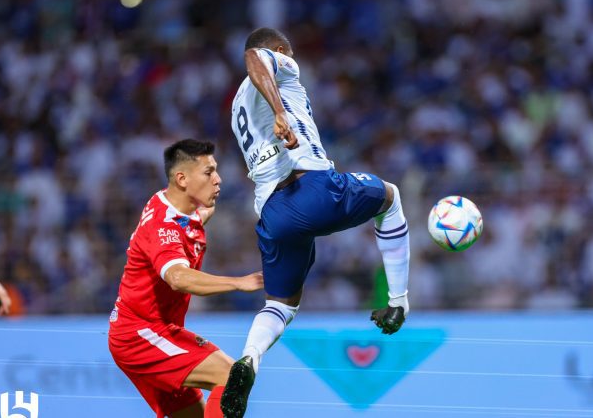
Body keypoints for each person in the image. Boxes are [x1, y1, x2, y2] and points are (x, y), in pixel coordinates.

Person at [222, 27, 411, 416]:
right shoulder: (276, 64)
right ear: (280, 51)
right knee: (390, 197)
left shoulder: (236, 106)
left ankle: (248, 360)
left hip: (273, 213)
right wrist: (279, 111)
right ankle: (399, 302)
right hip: (312, 187)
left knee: (281, 305)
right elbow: (255, 57)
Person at [108, 139, 263, 418]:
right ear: (182, 178)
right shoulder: (162, 226)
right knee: (232, 375)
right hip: (141, 335)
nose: (218, 179)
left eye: (216, 171)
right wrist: (239, 283)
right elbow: (178, 277)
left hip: (152, 331)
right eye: (208, 172)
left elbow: (198, 216)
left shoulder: (178, 207)